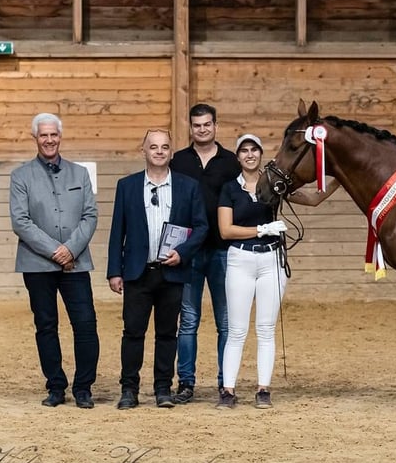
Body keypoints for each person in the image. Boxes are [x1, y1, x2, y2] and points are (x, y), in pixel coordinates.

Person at [107, 128, 209, 409]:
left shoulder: (188, 186)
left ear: (171, 152)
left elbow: (202, 227)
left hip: (172, 272)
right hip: (138, 272)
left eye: (165, 147)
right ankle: (129, 389)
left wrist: (183, 253)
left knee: (167, 333)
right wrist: (115, 271)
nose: (159, 151)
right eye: (154, 147)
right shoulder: (126, 186)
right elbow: (118, 231)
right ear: (144, 151)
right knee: (133, 333)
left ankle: (163, 388)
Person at [9, 112, 100, 409]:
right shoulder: (20, 176)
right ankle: (56, 386)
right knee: (46, 325)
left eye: (54, 134)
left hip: (76, 264)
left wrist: (70, 250)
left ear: (61, 137)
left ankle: (84, 387)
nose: (49, 140)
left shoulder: (80, 174)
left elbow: (90, 216)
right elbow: (20, 221)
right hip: (37, 265)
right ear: (35, 137)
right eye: (44, 135)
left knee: (85, 325)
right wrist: (55, 251)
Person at [169, 103, 241, 404]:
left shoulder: (231, 163)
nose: (202, 129)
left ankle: (227, 383)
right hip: (189, 253)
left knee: (226, 321)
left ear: (215, 125)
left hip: (224, 252)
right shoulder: (178, 161)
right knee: (188, 320)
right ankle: (186, 382)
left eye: (207, 124)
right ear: (190, 127)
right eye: (197, 125)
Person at [216, 134, 290, 409]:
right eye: (244, 151)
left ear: (261, 154)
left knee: (266, 328)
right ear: (238, 157)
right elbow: (226, 230)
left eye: (254, 150)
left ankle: (263, 388)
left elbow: (311, 199)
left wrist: (335, 182)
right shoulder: (229, 189)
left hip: (271, 259)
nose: (249, 155)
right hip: (241, 258)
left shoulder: (273, 184)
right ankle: (228, 389)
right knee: (236, 329)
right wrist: (261, 229)